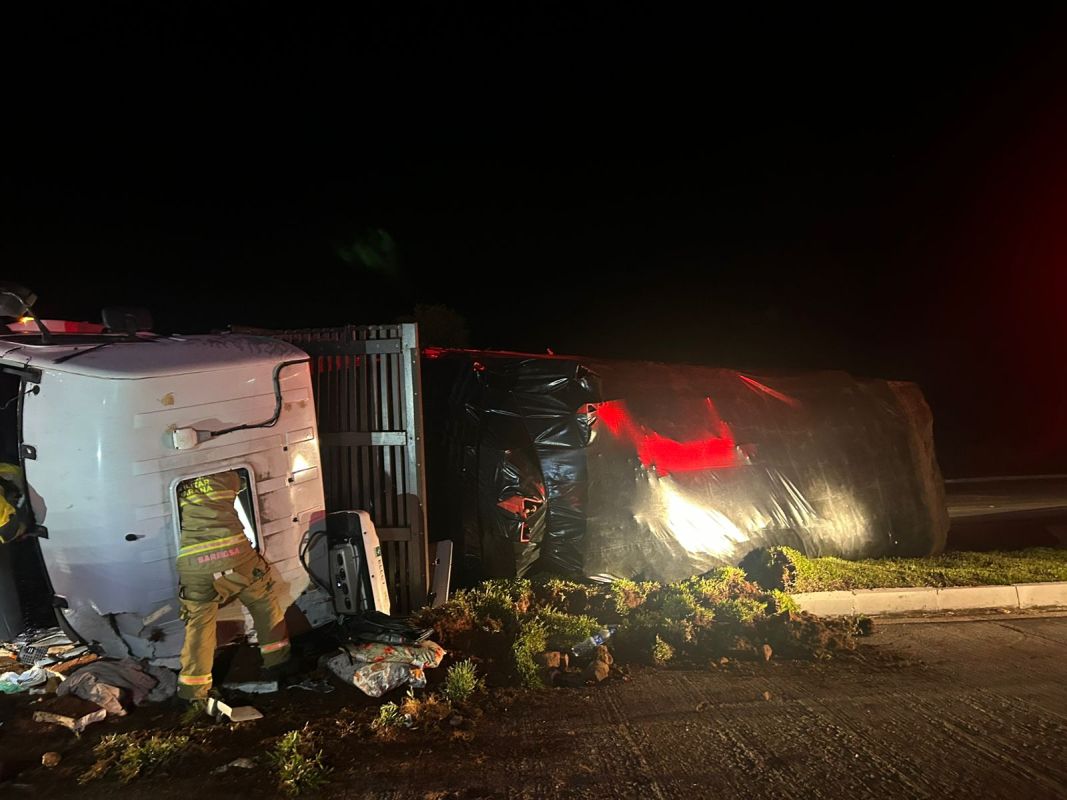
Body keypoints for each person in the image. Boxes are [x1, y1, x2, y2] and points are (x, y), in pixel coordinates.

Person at [175, 470, 292, 715]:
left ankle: (193, 692)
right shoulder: (226, 477)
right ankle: (278, 662)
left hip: (196, 566)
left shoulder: (178, 484)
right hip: (237, 554)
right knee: (263, 602)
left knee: (199, 623)